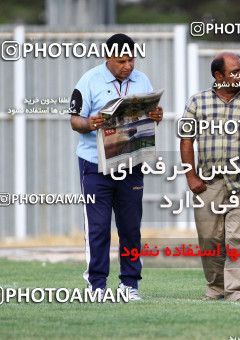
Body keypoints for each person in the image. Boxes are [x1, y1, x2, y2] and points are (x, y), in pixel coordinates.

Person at [69, 33, 163, 300]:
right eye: (122, 61)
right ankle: (97, 285)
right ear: (107, 58)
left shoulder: (142, 80)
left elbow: (150, 116)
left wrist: (157, 115)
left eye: (131, 59)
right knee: (98, 227)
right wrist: (90, 123)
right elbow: (75, 121)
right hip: (95, 164)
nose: (128, 66)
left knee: (130, 227)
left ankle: (130, 285)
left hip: (131, 163)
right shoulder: (88, 81)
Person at [179, 52, 240, 301]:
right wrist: (191, 176)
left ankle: (235, 291)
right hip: (207, 183)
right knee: (210, 238)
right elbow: (186, 141)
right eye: (235, 71)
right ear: (218, 75)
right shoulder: (197, 102)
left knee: (237, 237)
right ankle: (215, 287)